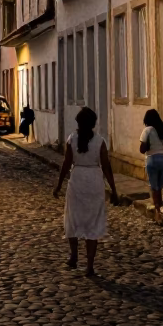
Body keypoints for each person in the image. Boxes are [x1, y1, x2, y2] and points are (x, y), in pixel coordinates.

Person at [53, 107, 119, 277]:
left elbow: (66, 164)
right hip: (94, 182)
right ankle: (90, 265)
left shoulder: (71, 140)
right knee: (93, 223)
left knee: (73, 219)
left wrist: (59, 185)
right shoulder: (100, 141)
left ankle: (74, 255)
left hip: (77, 181)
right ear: (93, 123)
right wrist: (114, 190)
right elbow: (106, 167)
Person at [140, 108, 163, 221]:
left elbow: (142, 149)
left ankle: (157, 212)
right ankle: (160, 207)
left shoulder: (147, 130)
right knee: (159, 186)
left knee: (154, 187)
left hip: (152, 159)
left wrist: (149, 145)